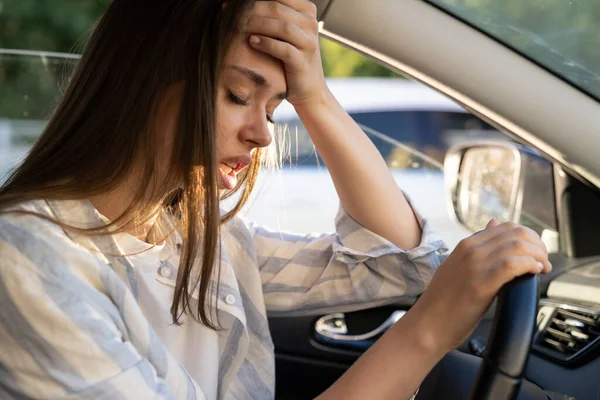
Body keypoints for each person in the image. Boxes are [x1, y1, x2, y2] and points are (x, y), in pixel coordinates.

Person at [0, 1, 551, 399]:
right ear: (143, 81)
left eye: (273, 108)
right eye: (239, 95)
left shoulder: (193, 235)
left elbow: (394, 265)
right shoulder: (26, 257)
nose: (263, 134)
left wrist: (316, 94)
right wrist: (425, 335)